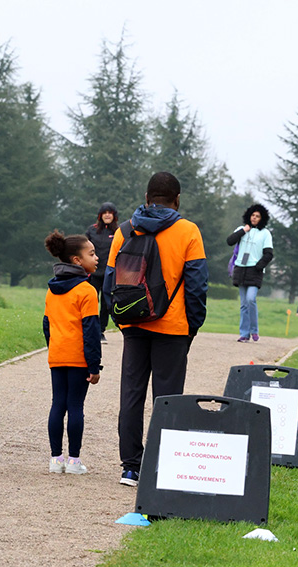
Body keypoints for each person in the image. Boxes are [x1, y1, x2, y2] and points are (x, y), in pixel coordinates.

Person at [103, 172, 208, 486]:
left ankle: (131, 467)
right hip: (173, 327)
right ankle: (163, 465)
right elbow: (198, 286)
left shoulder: (124, 231)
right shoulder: (188, 231)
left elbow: (109, 282)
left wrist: (122, 321)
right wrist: (192, 326)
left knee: (131, 395)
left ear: (147, 197)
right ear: (177, 200)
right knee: (168, 398)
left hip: (134, 322)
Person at [43, 230, 102, 475]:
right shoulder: (86, 291)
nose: (96, 257)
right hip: (78, 359)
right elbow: (91, 331)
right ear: (77, 261)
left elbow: (47, 325)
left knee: (58, 404)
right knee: (76, 406)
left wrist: (55, 346)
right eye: (91, 253)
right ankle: (74, 461)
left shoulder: (51, 289)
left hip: (57, 356)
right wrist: (94, 366)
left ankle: (56, 460)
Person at [226, 204, 273, 342]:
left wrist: (259, 266)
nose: (254, 218)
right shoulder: (241, 230)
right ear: (249, 216)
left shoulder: (265, 233)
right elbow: (229, 241)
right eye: (253, 215)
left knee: (251, 299)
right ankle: (244, 334)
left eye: (257, 216)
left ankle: (254, 330)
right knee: (243, 303)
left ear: (262, 218)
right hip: (241, 268)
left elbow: (269, 254)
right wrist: (244, 230)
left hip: (255, 270)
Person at [85, 202, 119, 342]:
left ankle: (101, 330)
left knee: (106, 304)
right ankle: (90, 329)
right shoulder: (91, 230)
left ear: (114, 215)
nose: (107, 215)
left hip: (109, 273)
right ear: (100, 215)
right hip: (93, 273)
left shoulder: (118, 232)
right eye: (104, 212)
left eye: (110, 212)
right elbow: (83, 249)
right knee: (91, 301)